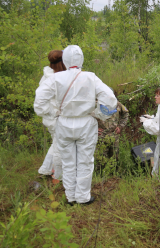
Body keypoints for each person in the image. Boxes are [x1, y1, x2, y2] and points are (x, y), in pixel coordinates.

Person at [34, 45, 117, 205]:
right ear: (81, 59)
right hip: (86, 122)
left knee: (68, 161)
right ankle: (83, 197)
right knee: (85, 161)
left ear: (65, 59)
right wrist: (99, 114)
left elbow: (39, 103)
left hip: (64, 123)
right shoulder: (90, 77)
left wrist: (54, 112)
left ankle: (70, 196)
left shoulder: (55, 78)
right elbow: (110, 99)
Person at [37, 50, 67, 180]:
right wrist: (55, 112)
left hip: (49, 116)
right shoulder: (56, 78)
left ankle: (46, 169)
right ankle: (58, 175)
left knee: (56, 143)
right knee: (60, 146)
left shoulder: (46, 76)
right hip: (55, 117)